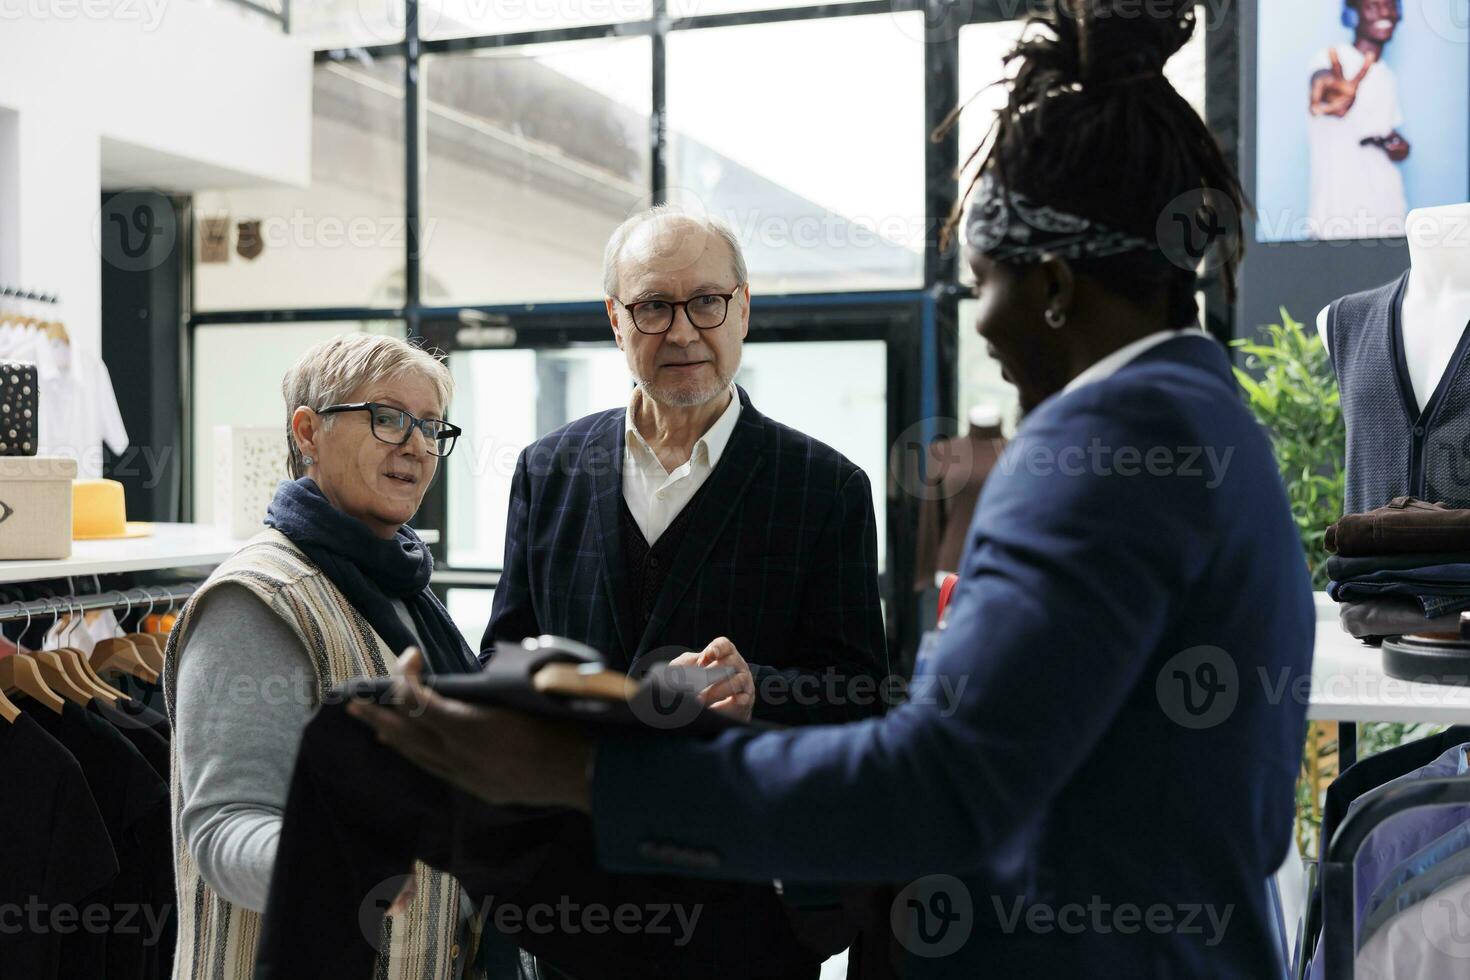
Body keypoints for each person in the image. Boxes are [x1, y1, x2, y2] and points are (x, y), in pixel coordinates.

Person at [351, 2, 1316, 976]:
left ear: (1057, 284)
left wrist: (587, 767)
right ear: (616, 319)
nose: (979, 320)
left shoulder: (1094, 455)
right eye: (652, 306)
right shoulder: (1205, 425)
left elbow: (930, 775)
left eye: (983, 280)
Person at [474, 205, 888, 976]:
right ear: (615, 319)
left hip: (742, 899)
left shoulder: (824, 489)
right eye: (653, 306)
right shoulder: (549, 469)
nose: (682, 330)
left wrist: (757, 688)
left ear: (744, 307)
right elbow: (501, 653)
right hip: (573, 892)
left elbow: (862, 692)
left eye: (706, 302)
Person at [163, 333, 478, 980]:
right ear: (308, 432)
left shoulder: (406, 589)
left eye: (430, 426)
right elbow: (223, 828)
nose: (416, 445)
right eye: (388, 418)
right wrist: (345, 861)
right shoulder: (256, 598)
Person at [1307, 0, 1410, 240]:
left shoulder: (1386, 75)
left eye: (1391, 6)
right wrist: (1331, 93)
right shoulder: (1330, 59)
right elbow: (1322, 82)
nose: (1385, 12)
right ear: (1352, 15)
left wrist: (1398, 146)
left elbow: (1384, 132)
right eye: (1373, 5)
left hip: (1387, 214)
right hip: (1337, 218)